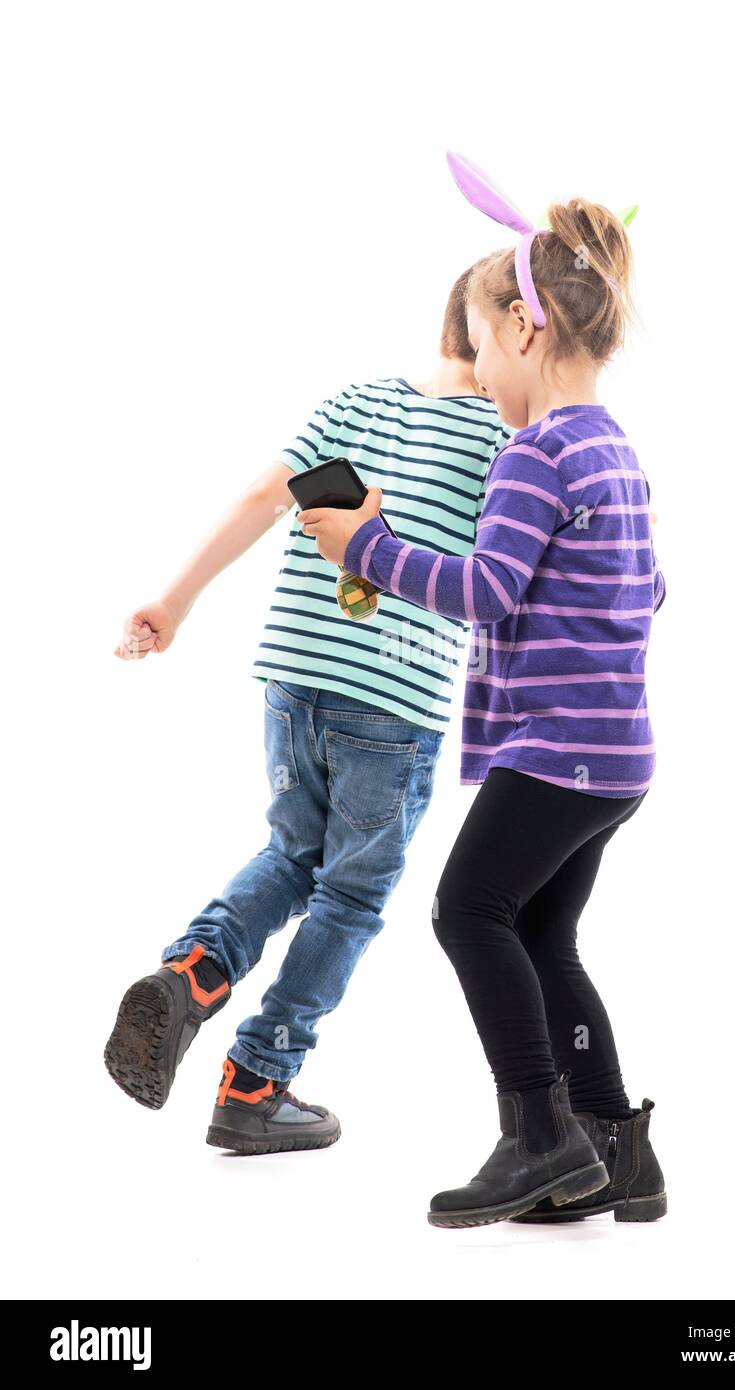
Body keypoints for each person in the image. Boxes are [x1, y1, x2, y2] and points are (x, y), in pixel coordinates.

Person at [300, 190, 667, 1227]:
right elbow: (649, 589)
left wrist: (360, 547)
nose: (481, 377)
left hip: (551, 750)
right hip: (617, 751)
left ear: (521, 325)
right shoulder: (614, 450)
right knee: (544, 934)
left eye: (480, 350)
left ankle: (537, 1138)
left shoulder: (535, 453)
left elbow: (486, 589)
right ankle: (616, 1151)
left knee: (468, 911)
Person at [104, 267, 513, 1154]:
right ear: (499, 340)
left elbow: (264, 496)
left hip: (293, 677)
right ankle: (257, 1081)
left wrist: (173, 604)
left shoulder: (357, 398)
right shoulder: (502, 436)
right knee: (355, 891)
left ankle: (195, 969)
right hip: (393, 696)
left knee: (295, 851)